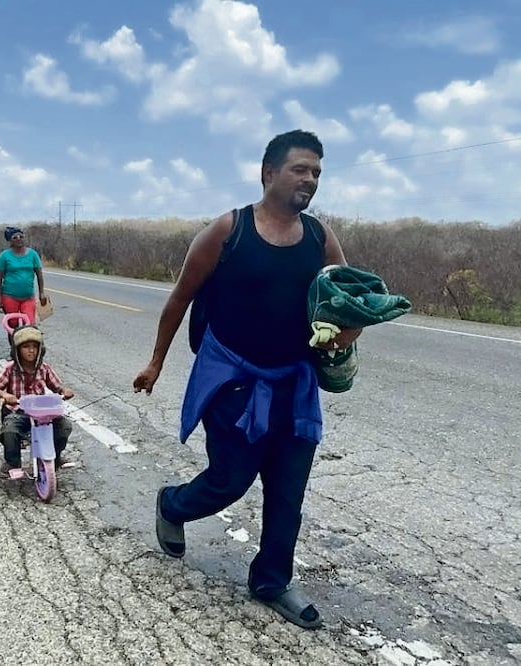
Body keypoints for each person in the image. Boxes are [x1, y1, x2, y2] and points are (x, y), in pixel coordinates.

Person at [132, 130, 360, 630]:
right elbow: (179, 299)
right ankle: (173, 504)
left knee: (287, 491)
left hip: (294, 384)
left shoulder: (320, 237)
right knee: (230, 480)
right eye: (300, 169)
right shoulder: (227, 231)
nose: (310, 179)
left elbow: (347, 298)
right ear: (268, 173)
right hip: (233, 380)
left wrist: (350, 328)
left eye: (317, 172)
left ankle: (271, 581)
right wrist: (155, 363)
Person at [0, 325, 74, 477]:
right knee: (10, 431)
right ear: (17, 350)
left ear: (40, 349)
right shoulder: (10, 369)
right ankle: (12, 463)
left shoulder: (44, 368)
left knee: (64, 426)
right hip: (18, 412)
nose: (31, 350)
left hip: (41, 414)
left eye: (34, 347)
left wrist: (64, 391)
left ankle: (55, 457)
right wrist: (5, 395)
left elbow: (57, 386)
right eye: (26, 347)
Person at [0, 226, 47, 324]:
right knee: (12, 324)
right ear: (10, 241)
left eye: (21, 236)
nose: (19, 239)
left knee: (29, 323)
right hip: (9, 296)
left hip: (28, 297)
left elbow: (39, 275)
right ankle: (13, 334)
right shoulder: (4, 256)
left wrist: (41, 293)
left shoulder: (33, 254)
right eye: (15, 237)